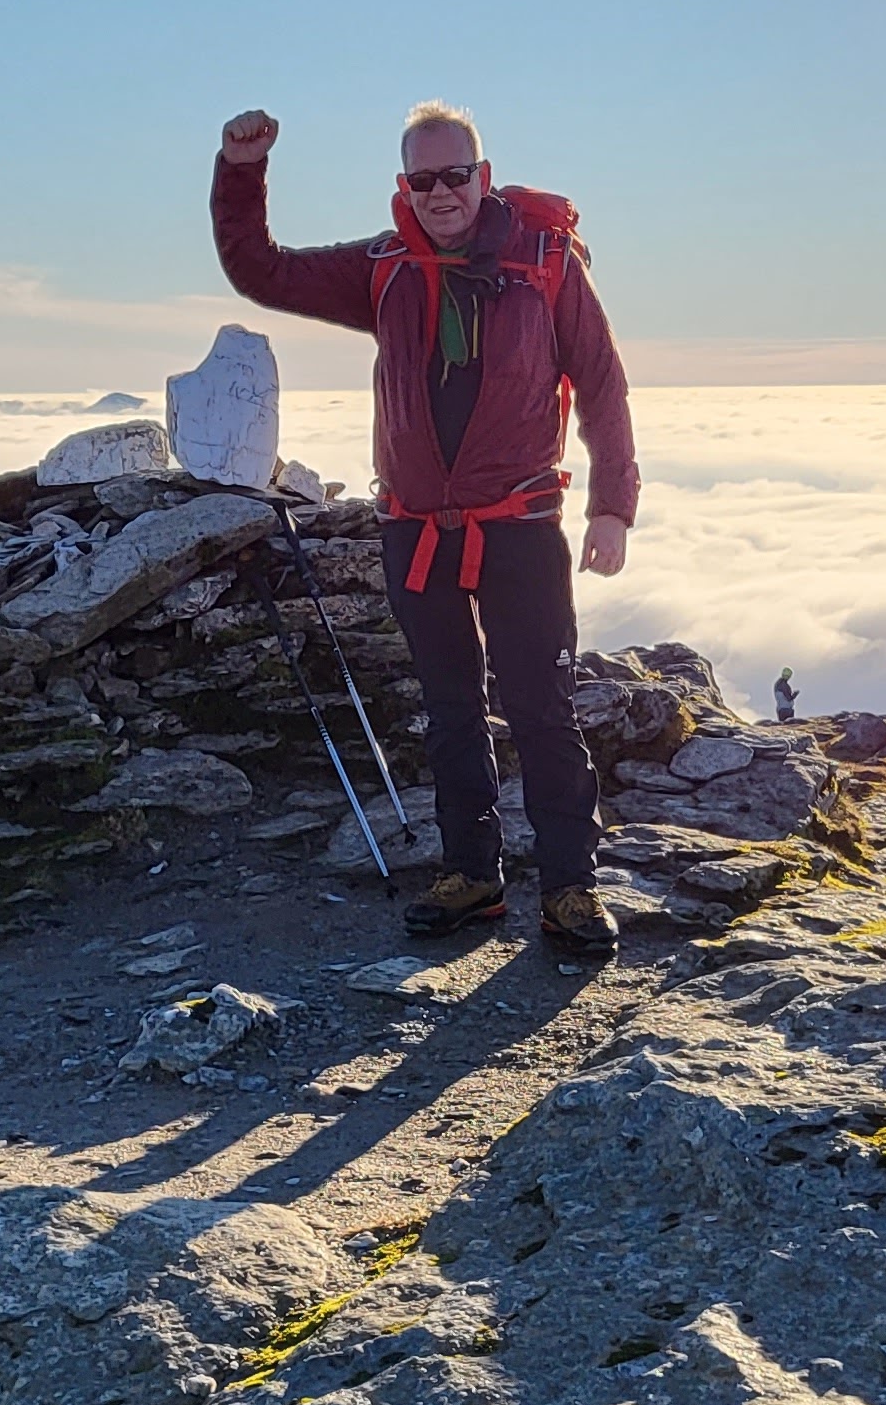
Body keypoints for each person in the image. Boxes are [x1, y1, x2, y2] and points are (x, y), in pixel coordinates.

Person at [212, 101, 638, 960]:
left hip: (520, 525)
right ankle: (472, 877)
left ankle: (570, 890)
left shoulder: (546, 262)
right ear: (403, 185)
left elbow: (601, 383)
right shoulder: (386, 266)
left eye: (455, 176)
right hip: (415, 528)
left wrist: (611, 507)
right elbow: (259, 270)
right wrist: (241, 169)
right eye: (423, 179)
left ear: (482, 177)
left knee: (541, 710)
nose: (441, 193)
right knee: (448, 711)